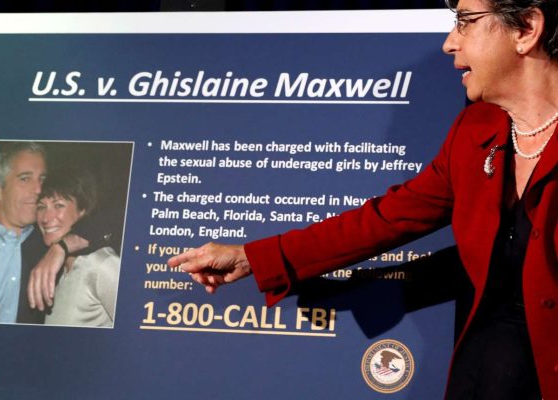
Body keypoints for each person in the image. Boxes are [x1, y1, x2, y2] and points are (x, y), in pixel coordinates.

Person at [167, 0, 558, 398]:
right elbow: (387, 219)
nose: (449, 42)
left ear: (527, 28)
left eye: (465, 21)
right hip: (489, 370)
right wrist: (253, 257)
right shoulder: (475, 127)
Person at [0, 141, 108, 324]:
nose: (38, 189)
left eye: (42, 179)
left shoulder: (50, 240)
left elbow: (109, 219)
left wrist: (61, 247)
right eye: (25, 178)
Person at [36, 166, 120, 327]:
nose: (45, 218)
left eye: (58, 205)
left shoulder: (103, 265)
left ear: (83, 210)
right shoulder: (57, 268)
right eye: (41, 207)